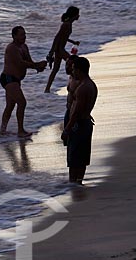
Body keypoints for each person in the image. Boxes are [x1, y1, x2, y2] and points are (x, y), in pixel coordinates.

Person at [0, 26, 47, 138]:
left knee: (10, 105)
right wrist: (37, 64)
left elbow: (29, 62)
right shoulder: (11, 48)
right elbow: (20, 63)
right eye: (21, 35)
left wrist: (38, 67)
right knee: (22, 102)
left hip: (16, 80)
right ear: (14, 36)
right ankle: (20, 131)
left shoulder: (24, 47)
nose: (24, 37)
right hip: (8, 78)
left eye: (24, 34)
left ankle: (2, 130)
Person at [61, 57, 97, 185]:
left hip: (79, 124)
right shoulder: (91, 85)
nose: (72, 71)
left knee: (75, 157)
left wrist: (67, 129)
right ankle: (78, 183)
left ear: (80, 70)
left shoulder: (82, 88)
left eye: (74, 69)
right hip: (85, 122)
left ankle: (73, 183)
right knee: (81, 156)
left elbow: (76, 113)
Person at [44, 6, 81, 93]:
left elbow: (64, 37)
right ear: (74, 15)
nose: (79, 16)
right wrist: (51, 52)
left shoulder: (68, 24)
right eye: (78, 14)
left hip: (59, 50)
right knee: (74, 64)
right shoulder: (66, 24)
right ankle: (75, 85)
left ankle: (47, 89)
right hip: (60, 50)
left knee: (55, 69)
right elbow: (57, 38)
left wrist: (73, 42)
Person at [64, 54, 80, 127]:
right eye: (66, 64)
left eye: (70, 65)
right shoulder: (71, 77)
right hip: (69, 110)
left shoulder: (78, 81)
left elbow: (80, 101)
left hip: (75, 114)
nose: (67, 67)